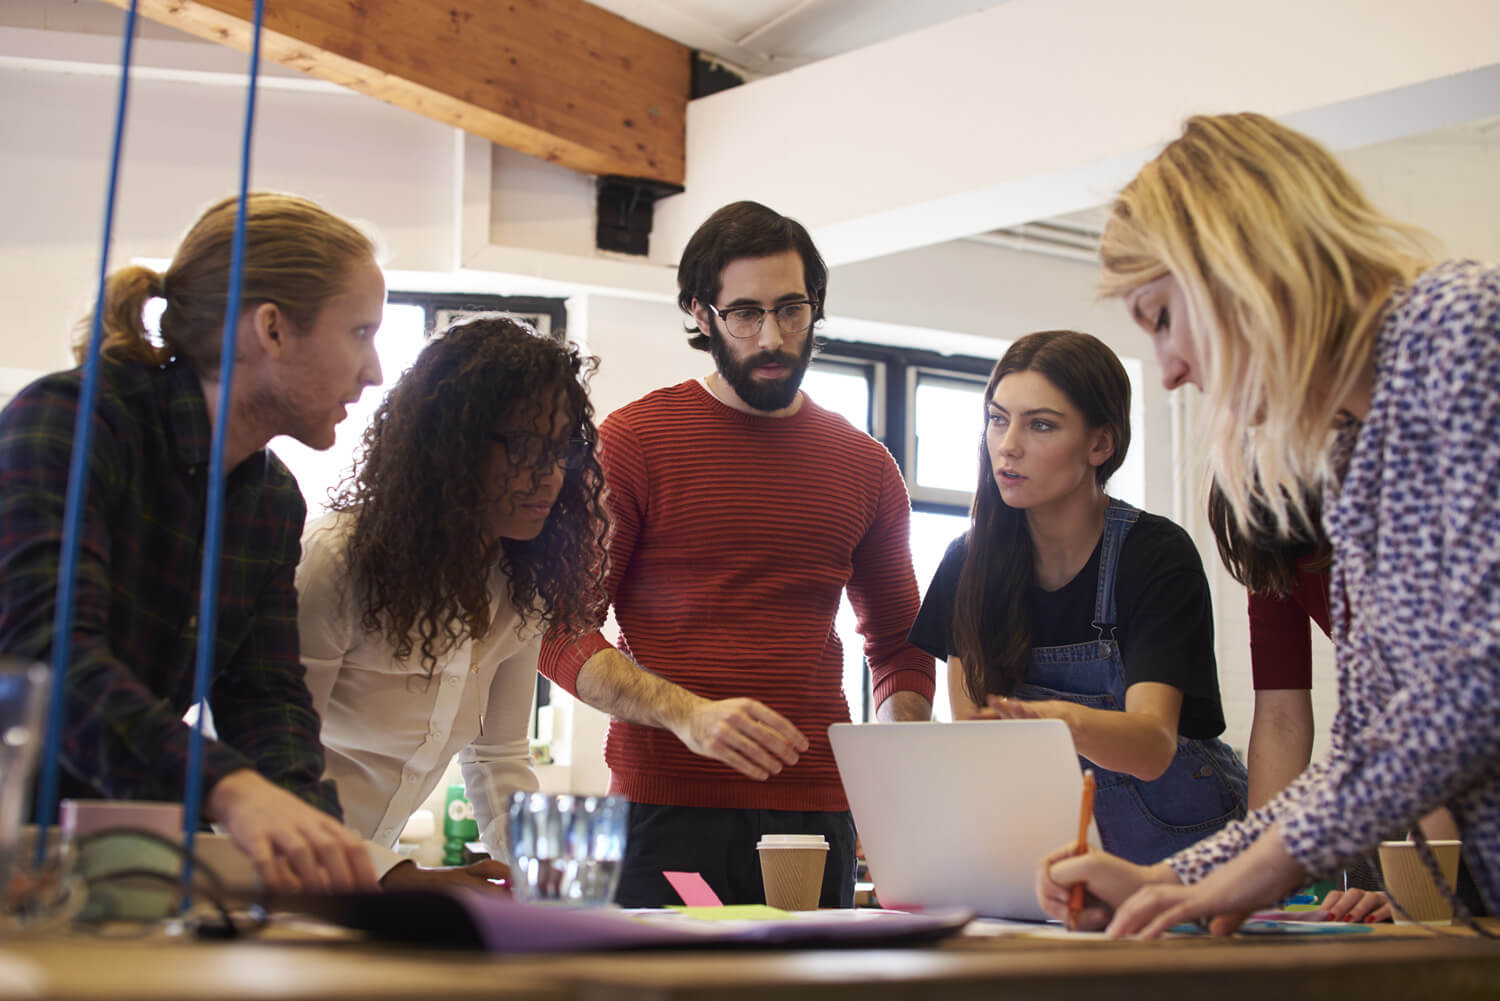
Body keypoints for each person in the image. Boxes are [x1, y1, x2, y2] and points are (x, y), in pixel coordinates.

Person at [1036, 112, 1500, 937]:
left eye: (1163, 318)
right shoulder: (1355, 465)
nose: (1172, 371)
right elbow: (1359, 757)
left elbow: (1481, 677)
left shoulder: (1459, 330)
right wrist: (1169, 878)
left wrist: (1251, 872)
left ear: (1237, 263)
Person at [537, 200, 935, 908]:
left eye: (791, 309)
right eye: (745, 313)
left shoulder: (867, 465)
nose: (774, 336)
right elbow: (561, 629)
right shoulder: (633, 441)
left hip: (818, 815)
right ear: (700, 312)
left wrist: (895, 777)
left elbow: (900, 648)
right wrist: (689, 713)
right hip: (666, 812)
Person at [0, 193, 384, 892]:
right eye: (360, 331)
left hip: (90, 865)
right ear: (271, 328)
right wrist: (231, 789)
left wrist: (317, 841)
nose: (375, 369)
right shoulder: (69, 423)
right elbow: (49, 664)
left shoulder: (270, 501)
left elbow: (266, 699)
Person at [909, 330, 1246, 868]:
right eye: (998, 419)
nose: (1008, 444)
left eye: (1040, 424)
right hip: (1052, 850)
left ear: (1100, 444)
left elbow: (1154, 745)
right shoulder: (967, 564)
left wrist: (1061, 727)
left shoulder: (1155, 555)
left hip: (1191, 852)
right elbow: (977, 751)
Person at [296, 316, 610, 891]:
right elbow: (275, 771)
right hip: (279, 879)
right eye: (522, 447)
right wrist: (399, 880)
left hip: (366, 889)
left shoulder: (524, 585)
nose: (550, 476)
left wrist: (540, 888)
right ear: (449, 447)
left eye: (562, 449)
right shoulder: (337, 562)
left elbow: (499, 758)